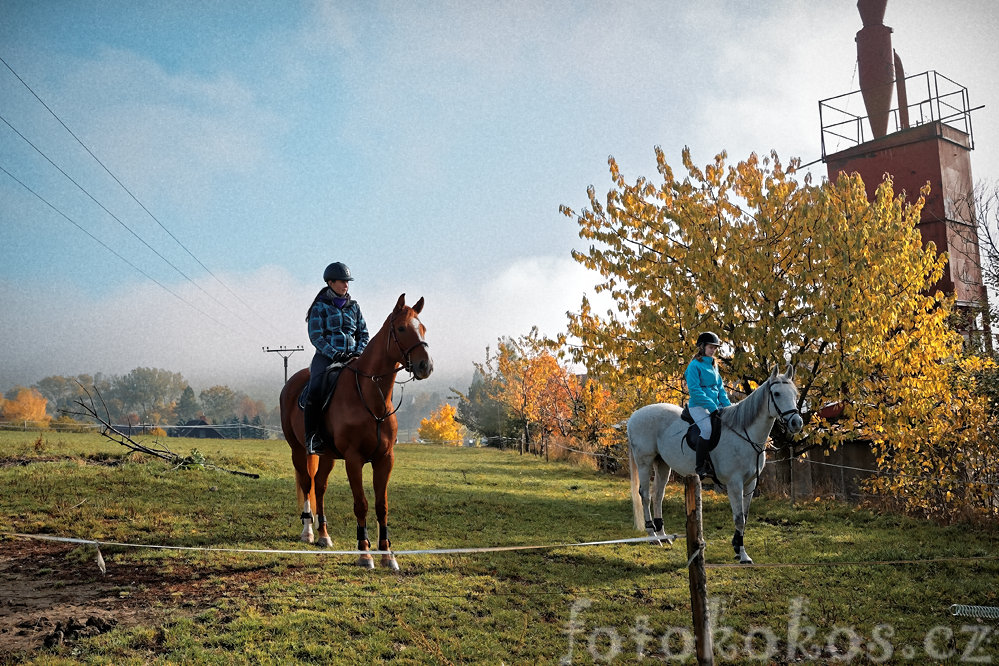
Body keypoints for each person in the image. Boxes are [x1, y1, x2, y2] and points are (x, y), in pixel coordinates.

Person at [303, 261, 369, 453]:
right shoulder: (319, 307)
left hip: (353, 357)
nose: (346, 284)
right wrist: (335, 353)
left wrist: (358, 351)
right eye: (342, 281)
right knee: (314, 389)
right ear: (330, 283)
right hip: (326, 358)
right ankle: (312, 438)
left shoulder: (354, 307)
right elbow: (316, 336)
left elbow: (363, 334)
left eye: (347, 281)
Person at [685, 331, 731, 479]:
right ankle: (700, 466)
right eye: (710, 347)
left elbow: (720, 389)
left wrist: (728, 408)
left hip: (715, 406)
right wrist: (712, 407)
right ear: (702, 347)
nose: (713, 350)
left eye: (715, 348)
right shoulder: (694, 366)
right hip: (698, 405)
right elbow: (695, 391)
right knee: (707, 429)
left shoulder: (714, 365)